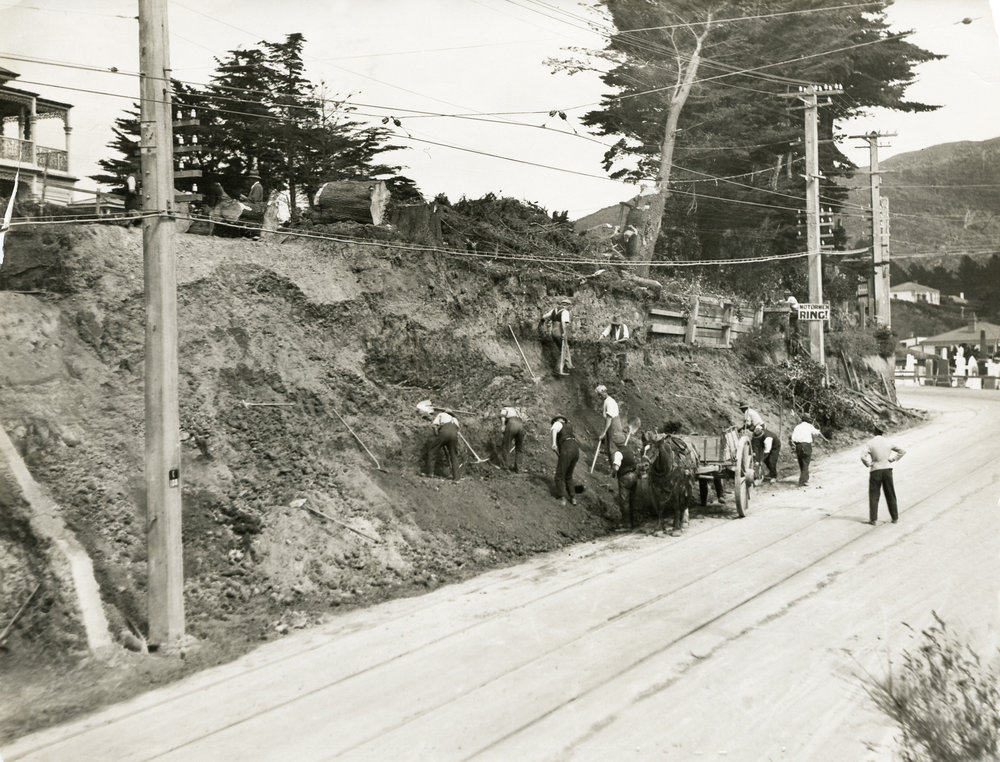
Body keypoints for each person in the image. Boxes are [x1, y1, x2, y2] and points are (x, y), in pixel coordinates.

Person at [860, 424, 906, 525]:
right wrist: (892, 459)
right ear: (882, 432)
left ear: (875, 431)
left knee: (874, 495)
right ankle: (895, 518)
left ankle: (873, 520)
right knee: (890, 494)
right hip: (887, 470)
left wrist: (868, 464)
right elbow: (902, 451)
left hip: (875, 470)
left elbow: (863, 456)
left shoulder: (870, 443)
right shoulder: (888, 442)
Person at [596, 384, 626, 474]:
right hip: (611, 427)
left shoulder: (610, 402)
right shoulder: (606, 401)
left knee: (613, 449)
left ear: (604, 392)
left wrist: (603, 433)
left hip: (614, 427)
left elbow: (609, 419)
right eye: (598, 395)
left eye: (599, 394)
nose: (599, 397)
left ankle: (616, 470)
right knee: (609, 448)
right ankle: (612, 470)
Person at [422, 410, 460, 482]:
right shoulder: (455, 420)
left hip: (444, 433)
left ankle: (430, 473)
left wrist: (437, 436)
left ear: (445, 412)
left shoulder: (441, 414)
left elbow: (434, 426)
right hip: (454, 437)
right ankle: (456, 478)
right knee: (454, 456)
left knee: (432, 451)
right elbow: (457, 432)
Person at [538, 298, 573, 376]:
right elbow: (563, 323)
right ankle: (558, 369)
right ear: (566, 305)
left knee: (564, 348)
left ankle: (567, 366)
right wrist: (564, 333)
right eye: (569, 305)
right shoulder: (565, 312)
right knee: (563, 350)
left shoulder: (554, 310)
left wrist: (542, 323)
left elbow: (543, 317)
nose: (569, 307)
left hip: (553, 332)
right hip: (559, 332)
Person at [550, 415, 579, 506]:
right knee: (568, 475)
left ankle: (562, 498)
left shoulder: (557, 424)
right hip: (575, 450)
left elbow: (554, 430)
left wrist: (554, 443)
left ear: (557, 420)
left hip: (567, 449)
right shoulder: (569, 426)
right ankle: (573, 498)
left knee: (559, 475)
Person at [789, 412, 823, 487]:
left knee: (801, 462)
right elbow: (816, 432)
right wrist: (818, 431)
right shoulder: (809, 426)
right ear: (808, 420)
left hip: (798, 446)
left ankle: (804, 479)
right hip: (806, 445)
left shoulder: (797, 427)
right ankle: (802, 481)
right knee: (805, 463)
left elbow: (793, 438)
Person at [616, 447, 640, 528]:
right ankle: (635, 521)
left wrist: (613, 472)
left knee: (624, 501)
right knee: (633, 498)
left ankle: (626, 523)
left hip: (624, 477)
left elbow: (616, 467)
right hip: (634, 475)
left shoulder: (618, 453)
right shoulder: (630, 450)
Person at [498, 405, 525, 472]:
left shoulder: (505, 408)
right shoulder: (516, 410)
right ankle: (518, 468)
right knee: (519, 448)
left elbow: (503, 416)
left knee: (506, 446)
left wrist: (503, 425)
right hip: (520, 425)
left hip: (512, 424)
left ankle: (505, 467)